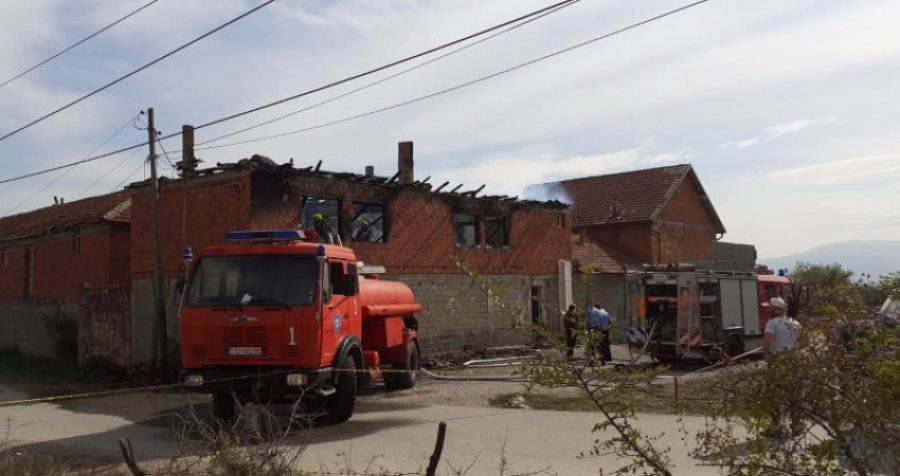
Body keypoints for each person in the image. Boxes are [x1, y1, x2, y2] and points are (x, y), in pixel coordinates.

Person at [761, 296, 803, 437]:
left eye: (770, 308)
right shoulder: (795, 323)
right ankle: (796, 425)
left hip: (778, 361)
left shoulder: (772, 323)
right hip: (794, 361)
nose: (768, 310)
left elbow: (767, 341)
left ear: (776, 309)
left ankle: (777, 427)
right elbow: (803, 342)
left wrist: (766, 355)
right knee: (793, 394)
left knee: (775, 395)